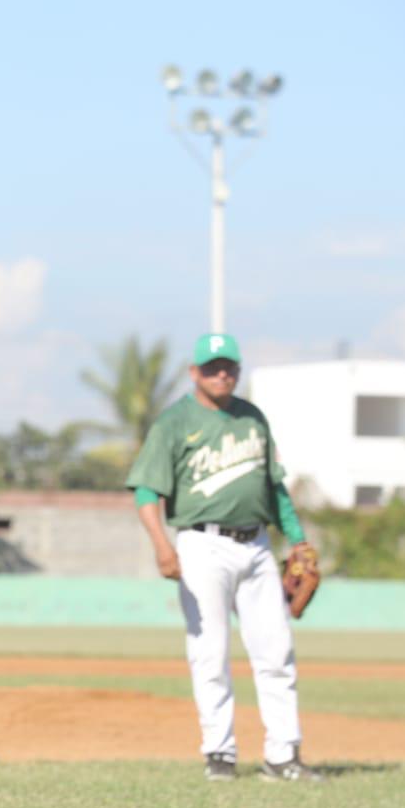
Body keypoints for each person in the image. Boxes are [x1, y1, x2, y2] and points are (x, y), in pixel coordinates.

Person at [126, 332, 323, 783]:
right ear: (194, 372)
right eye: (212, 367)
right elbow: (145, 490)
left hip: (256, 545)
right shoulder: (174, 423)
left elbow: (273, 486)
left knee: (276, 652)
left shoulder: (253, 418)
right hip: (201, 544)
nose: (222, 374)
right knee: (210, 653)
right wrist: (161, 544)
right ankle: (220, 754)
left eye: (229, 366)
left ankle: (283, 756)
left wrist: (296, 539)